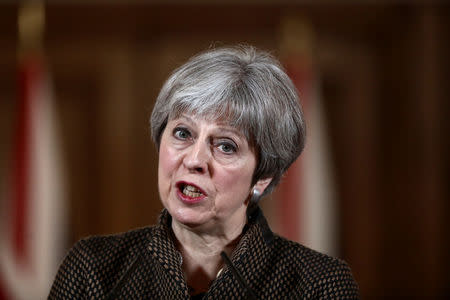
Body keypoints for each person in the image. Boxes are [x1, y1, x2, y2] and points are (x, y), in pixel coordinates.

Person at [48, 45, 359, 299]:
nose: (195, 160)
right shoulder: (92, 270)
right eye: (183, 134)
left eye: (225, 146)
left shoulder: (318, 285)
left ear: (262, 178)